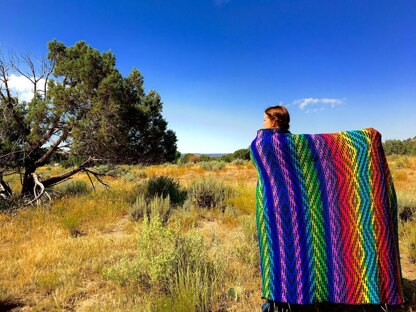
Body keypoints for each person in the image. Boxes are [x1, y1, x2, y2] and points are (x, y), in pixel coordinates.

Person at [260, 105, 291, 312]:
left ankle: (275, 302)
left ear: (274, 121)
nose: (262, 123)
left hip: (274, 206)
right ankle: (288, 297)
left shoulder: (265, 142)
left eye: (264, 120)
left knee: (275, 253)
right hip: (294, 206)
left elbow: (256, 148)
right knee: (289, 251)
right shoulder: (295, 143)